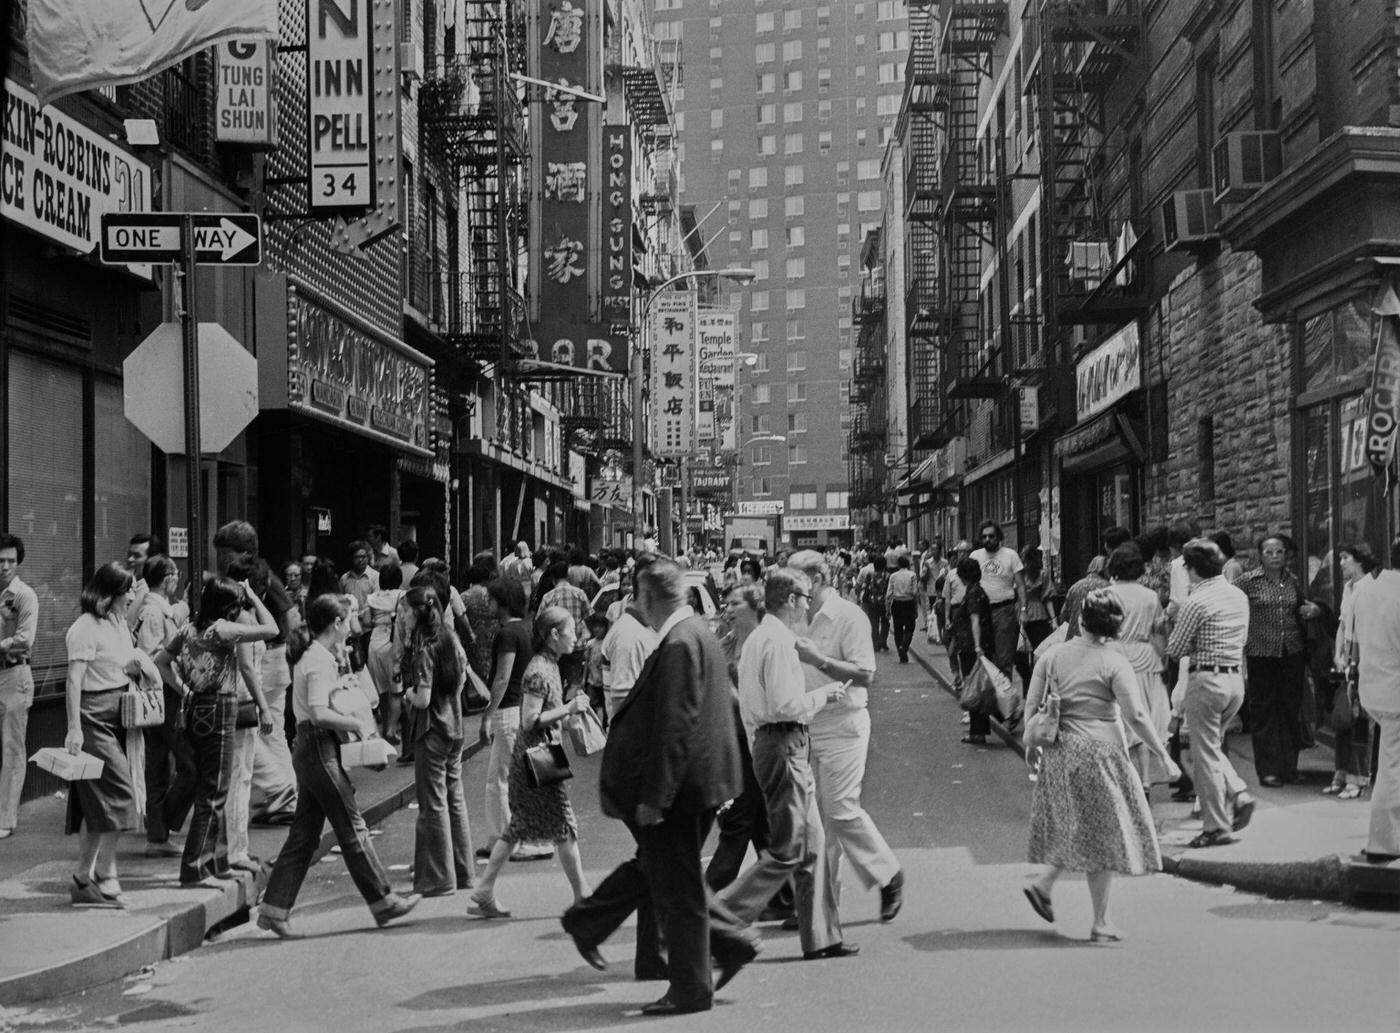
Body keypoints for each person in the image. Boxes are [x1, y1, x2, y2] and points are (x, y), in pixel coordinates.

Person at [576, 559, 758, 1016]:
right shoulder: (698, 632)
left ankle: (691, 988)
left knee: (678, 892)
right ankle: (727, 948)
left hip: (683, 789)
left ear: (649, 596)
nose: (636, 605)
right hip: (704, 780)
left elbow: (676, 727)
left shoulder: (678, 643)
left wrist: (656, 797)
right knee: (673, 878)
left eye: (638, 596)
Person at [257, 596, 420, 936]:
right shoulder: (318, 660)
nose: (351, 627)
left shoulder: (319, 657)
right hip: (318, 746)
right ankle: (383, 900)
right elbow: (318, 711)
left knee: (303, 835)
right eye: (347, 621)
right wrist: (355, 725)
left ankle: (274, 908)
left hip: (311, 747)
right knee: (352, 826)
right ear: (335, 623)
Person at [1021, 590, 1173, 942]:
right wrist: (1162, 755)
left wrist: (1032, 744)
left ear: (1081, 619)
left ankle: (1045, 884)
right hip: (1101, 754)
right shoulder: (1114, 662)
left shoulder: (1053, 655)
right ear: (1115, 627)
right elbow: (1135, 715)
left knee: (1076, 824)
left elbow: (1033, 704)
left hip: (1060, 752)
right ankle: (1099, 921)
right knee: (1103, 833)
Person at [722, 568, 854, 961]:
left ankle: (823, 936)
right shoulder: (778, 641)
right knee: (789, 849)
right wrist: (825, 696)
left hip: (776, 744)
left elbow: (755, 707)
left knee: (812, 846)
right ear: (792, 601)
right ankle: (721, 917)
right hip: (784, 741)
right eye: (805, 598)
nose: (808, 605)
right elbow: (785, 706)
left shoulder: (762, 638)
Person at [788, 549, 904, 922]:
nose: (789, 589)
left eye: (795, 580)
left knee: (840, 810)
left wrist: (818, 660)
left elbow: (866, 673)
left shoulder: (849, 616)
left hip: (843, 722)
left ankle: (888, 874)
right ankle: (821, 902)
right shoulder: (793, 616)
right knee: (816, 820)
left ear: (817, 580)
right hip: (805, 722)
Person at [153, 577, 278, 885]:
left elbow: (161, 661)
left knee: (213, 788)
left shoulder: (189, 629)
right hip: (220, 708)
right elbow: (273, 629)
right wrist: (254, 596)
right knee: (214, 791)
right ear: (226, 606)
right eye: (236, 605)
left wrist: (185, 691)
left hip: (198, 707)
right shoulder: (222, 629)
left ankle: (217, 861)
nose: (239, 610)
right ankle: (194, 866)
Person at [469, 606, 593, 917]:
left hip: (539, 756)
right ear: (554, 635)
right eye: (570, 631)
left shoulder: (549, 665)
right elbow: (529, 720)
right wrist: (568, 709)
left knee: (519, 826)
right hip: (538, 758)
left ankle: (485, 889)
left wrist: (567, 715)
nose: (575, 638)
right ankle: (582, 896)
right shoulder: (539, 670)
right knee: (563, 824)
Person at [63, 563, 161, 907]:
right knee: (119, 792)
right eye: (128, 590)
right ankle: (106, 875)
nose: (132, 595)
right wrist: (74, 728)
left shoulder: (116, 621)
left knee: (96, 804)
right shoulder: (84, 628)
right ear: (110, 594)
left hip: (118, 713)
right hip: (94, 718)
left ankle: (84, 877)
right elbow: (74, 681)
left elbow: (118, 660)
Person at [1166, 538, 1256, 849]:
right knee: (1211, 747)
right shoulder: (1238, 595)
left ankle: (1216, 826)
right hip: (1234, 681)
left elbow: (1175, 649)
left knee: (1203, 756)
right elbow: (1242, 638)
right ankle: (1239, 794)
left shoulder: (1195, 601)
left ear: (1192, 569)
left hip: (1206, 680)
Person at [213, 522, 300, 828]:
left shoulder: (258, 577)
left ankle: (279, 786)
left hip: (265, 657)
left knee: (252, 726)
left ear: (245, 553)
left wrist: (283, 649)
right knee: (273, 732)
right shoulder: (260, 574)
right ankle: (289, 795)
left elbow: (290, 615)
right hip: (272, 655)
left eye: (227, 552)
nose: (222, 559)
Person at [400, 586, 475, 896]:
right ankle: (463, 872)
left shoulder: (425, 648)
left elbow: (423, 698)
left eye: (404, 611)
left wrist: (408, 694)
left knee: (433, 803)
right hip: (455, 725)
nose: (402, 617)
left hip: (431, 729)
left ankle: (438, 878)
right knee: (454, 799)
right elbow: (460, 680)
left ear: (417, 613)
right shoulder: (450, 639)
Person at [1236, 534, 1320, 787]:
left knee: (1289, 710)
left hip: (1291, 653)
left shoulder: (1292, 581)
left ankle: (1289, 767)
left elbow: (1302, 608)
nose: (1275, 557)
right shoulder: (1247, 582)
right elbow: (1232, 607)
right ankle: (1268, 770)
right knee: (1264, 712)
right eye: (1269, 552)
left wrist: (1312, 611)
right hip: (1261, 654)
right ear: (1260, 555)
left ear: (1286, 554)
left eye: (1279, 552)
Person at [475, 579, 548, 861]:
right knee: (498, 779)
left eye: (491, 600)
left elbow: (502, 677)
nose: (487, 604)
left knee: (503, 779)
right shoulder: (528, 629)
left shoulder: (507, 634)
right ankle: (500, 839)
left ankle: (512, 841)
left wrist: (487, 715)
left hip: (508, 711)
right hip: (524, 707)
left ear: (503, 602)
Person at [132, 555, 193, 856]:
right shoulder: (155, 613)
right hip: (165, 694)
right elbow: (157, 659)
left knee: (157, 764)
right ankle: (161, 824)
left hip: (153, 696)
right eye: (176, 574)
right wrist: (183, 690)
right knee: (190, 764)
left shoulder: (153, 610)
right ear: (168, 578)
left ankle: (157, 834)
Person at [1348, 537, 1400, 862]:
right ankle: (1383, 844)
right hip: (1395, 691)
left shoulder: (1368, 589)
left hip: (1376, 689)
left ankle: (1386, 840)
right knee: (1393, 768)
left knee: (1391, 764)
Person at [1104, 544, 1172, 789]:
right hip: (1145, 658)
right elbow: (1158, 631)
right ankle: (1145, 779)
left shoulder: (1106, 594)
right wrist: (1163, 658)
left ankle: (1125, 778)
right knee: (1143, 718)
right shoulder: (1150, 596)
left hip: (1113, 656)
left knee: (1118, 720)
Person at [1326, 542, 1376, 798]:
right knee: (1343, 720)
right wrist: (1338, 655)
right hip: (1346, 663)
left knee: (1359, 722)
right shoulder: (1348, 588)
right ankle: (1341, 773)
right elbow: (1343, 626)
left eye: (1345, 557)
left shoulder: (1371, 588)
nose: (1341, 563)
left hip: (1364, 663)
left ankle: (1358, 779)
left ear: (1359, 559)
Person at [0, 534, 38, 840]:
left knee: (12, 748)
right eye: (0, 560)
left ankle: (6, 818)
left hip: (15, 675)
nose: (5, 566)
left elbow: (25, 638)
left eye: (11, 561)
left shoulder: (24, 595)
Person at [969, 521, 1026, 679]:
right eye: (984, 536)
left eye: (991, 536)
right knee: (985, 656)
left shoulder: (1010, 555)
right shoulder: (975, 556)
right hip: (981, 613)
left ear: (999, 537)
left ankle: (1004, 696)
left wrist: (1023, 610)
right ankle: (991, 696)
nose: (988, 539)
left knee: (1004, 658)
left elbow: (1021, 586)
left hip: (1004, 611)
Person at [950, 557, 996, 745]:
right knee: (978, 687)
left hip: (972, 647)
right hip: (975, 645)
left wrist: (977, 647)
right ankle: (979, 730)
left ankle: (977, 732)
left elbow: (975, 620)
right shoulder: (977, 591)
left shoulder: (973, 593)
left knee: (975, 688)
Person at [364, 564, 406, 744]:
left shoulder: (372, 598)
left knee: (381, 689)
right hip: (393, 644)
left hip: (375, 643)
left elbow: (366, 621)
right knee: (396, 690)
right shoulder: (402, 596)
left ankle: (384, 726)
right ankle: (391, 729)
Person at [1014, 546, 1059, 692]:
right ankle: (1028, 682)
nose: (1025, 563)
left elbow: (1047, 598)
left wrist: (1053, 620)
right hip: (1019, 616)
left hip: (1039, 616)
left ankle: (1036, 690)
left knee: (1039, 654)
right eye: (1023, 559)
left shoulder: (1042, 575)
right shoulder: (1017, 575)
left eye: (1027, 560)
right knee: (1019, 658)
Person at [1062, 555, 1109, 640]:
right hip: (1096, 640)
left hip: (1073, 639)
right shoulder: (1107, 587)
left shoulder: (1075, 587)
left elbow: (1063, 615)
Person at [885, 554, 920, 664]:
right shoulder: (912, 575)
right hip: (908, 603)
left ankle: (901, 654)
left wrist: (888, 609)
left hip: (897, 604)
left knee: (898, 629)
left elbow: (888, 594)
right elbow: (915, 593)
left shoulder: (893, 576)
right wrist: (915, 608)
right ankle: (904, 647)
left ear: (898, 565)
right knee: (910, 628)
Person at [858, 554, 890, 652]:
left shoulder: (870, 575)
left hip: (872, 601)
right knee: (885, 622)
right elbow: (890, 589)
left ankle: (875, 643)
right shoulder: (888, 576)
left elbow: (865, 587)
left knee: (874, 622)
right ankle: (883, 642)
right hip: (884, 602)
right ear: (885, 565)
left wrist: (863, 598)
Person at [582, 612, 610, 718]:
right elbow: (587, 662)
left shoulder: (607, 643)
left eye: (600, 626)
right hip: (592, 681)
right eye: (595, 626)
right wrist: (583, 679)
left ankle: (604, 726)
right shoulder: (590, 644)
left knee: (605, 705)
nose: (597, 629)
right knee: (591, 705)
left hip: (605, 682)